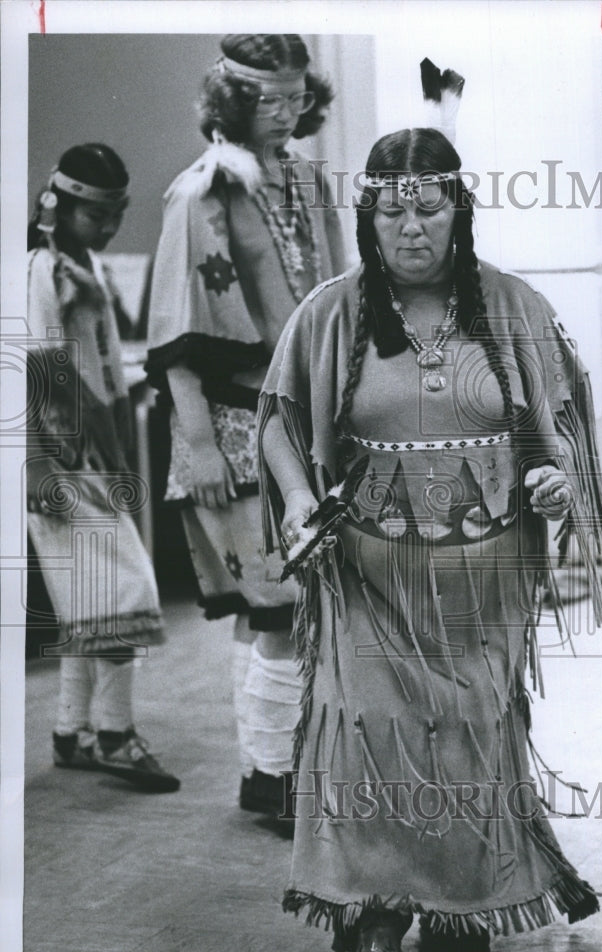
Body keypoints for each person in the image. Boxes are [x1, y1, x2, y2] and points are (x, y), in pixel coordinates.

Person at [258, 127, 602, 952]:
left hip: (482, 580)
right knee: (370, 728)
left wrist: (555, 481)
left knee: (463, 730)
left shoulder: (514, 307)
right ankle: (373, 898)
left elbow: (559, 423)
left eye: (429, 207)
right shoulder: (333, 311)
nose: (411, 227)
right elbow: (277, 418)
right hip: (367, 573)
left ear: (460, 212)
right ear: (368, 217)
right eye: (391, 210)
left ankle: (459, 902)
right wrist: (302, 498)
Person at [145, 35, 346, 822]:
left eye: (298, 97)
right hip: (229, 423)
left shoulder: (305, 181)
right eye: (271, 99)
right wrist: (197, 446)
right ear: (232, 100)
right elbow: (177, 336)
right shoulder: (201, 193)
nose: (288, 112)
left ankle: (277, 764)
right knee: (278, 606)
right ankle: (271, 775)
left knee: (287, 604)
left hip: (305, 419)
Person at [26, 143, 179, 793]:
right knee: (125, 593)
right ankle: (113, 734)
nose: (110, 228)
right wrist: (35, 464)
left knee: (90, 604)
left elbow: (109, 370)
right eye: (98, 216)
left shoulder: (85, 268)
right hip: (56, 456)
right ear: (57, 207)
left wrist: (116, 450)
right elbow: (36, 367)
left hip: (91, 455)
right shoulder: (39, 269)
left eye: (118, 215)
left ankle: (71, 733)